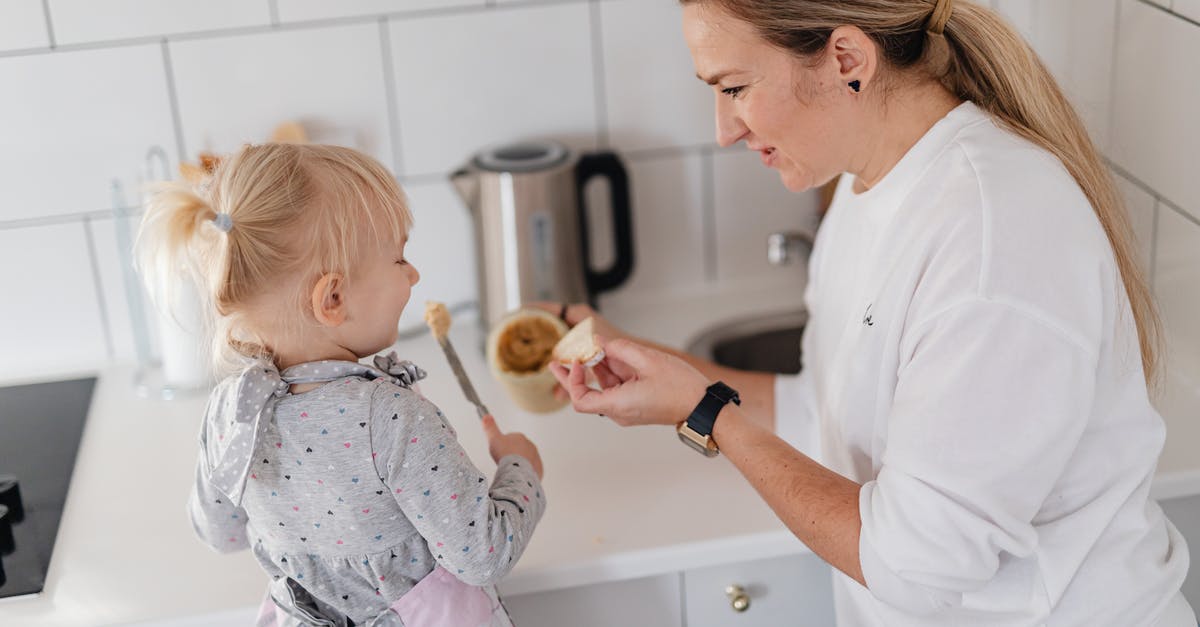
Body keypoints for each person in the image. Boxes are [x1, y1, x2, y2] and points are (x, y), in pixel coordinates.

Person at [548, 0, 1195, 624]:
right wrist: (655, 367)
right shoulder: (867, 185)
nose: (724, 129)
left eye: (735, 87)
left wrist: (705, 412)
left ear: (847, 59)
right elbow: (823, 412)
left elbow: (919, 564)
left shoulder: (994, 236)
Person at [136, 143, 545, 627]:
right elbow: (483, 554)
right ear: (332, 298)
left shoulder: (232, 408)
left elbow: (219, 532)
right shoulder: (389, 418)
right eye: (398, 258)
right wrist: (522, 470)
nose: (413, 274)